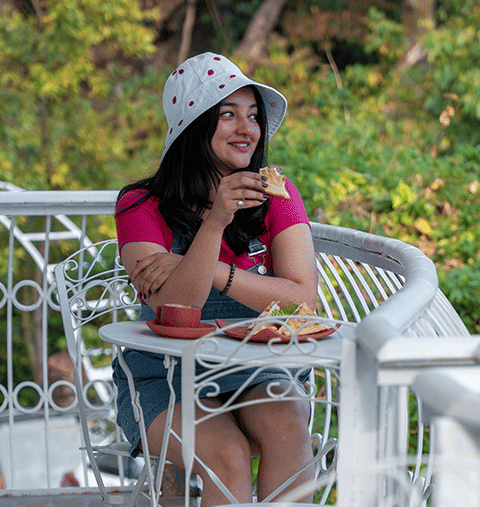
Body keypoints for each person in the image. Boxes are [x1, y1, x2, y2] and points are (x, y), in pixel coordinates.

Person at [112, 52, 318, 504]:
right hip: (165, 374)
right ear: (192, 126)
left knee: (288, 429)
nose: (247, 129)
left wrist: (215, 272)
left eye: (253, 116)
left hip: (258, 364)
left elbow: (303, 301)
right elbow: (172, 309)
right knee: (227, 454)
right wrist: (216, 221)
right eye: (228, 115)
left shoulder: (275, 193)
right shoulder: (140, 205)